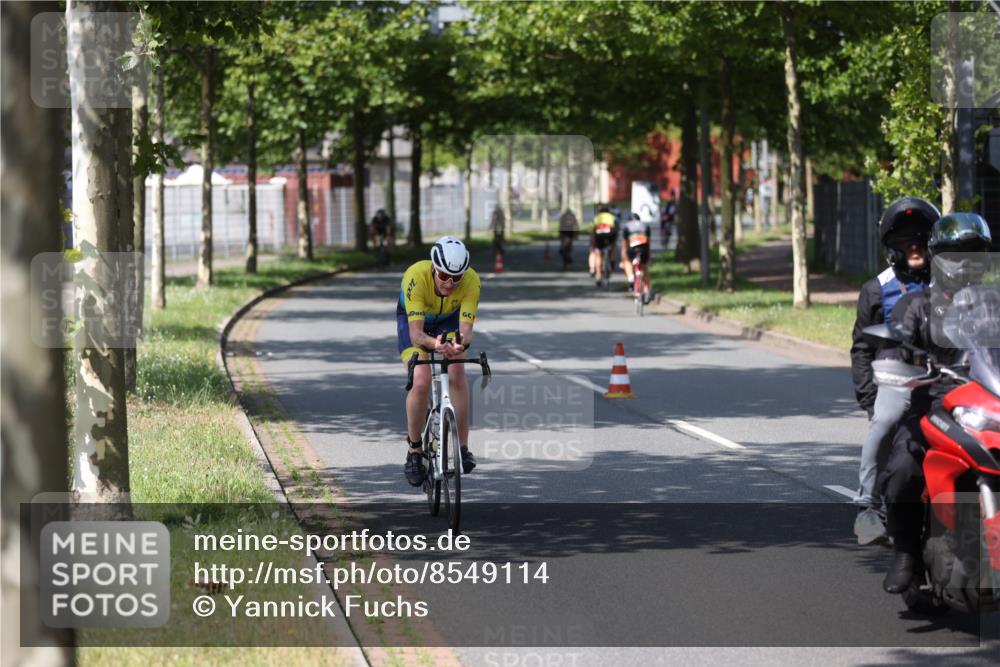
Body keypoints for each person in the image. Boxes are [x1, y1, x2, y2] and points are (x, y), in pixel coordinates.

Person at [878, 212, 993, 593]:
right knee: (902, 468)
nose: (964, 265)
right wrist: (899, 364)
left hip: (984, 404)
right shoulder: (916, 306)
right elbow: (894, 346)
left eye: (973, 255)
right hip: (934, 406)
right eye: (954, 256)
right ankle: (906, 551)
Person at [849, 196, 939, 544]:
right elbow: (861, 349)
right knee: (885, 421)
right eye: (905, 239)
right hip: (898, 376)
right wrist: (869, 400)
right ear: (892, 246)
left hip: (947, 379)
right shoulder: (877, 288)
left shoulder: (947, 284)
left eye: (920, 236)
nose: (914, 244)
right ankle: (867, 507)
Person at [397, 237, 482, 486]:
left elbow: (466, 331)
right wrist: (435, 345)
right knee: (421, 381)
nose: (449, 283)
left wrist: (459, 344)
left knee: (457, 372)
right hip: (416, 322)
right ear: (434, 267)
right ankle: (414, 451)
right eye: (444, 275)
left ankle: (463, 448)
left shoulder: (471, 282)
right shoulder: (416, 276)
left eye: (456, 278)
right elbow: (416, 335)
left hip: (448, 320)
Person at [621, 212, 653, 302]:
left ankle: (631, 277)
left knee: (627, 261)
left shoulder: (627, 226)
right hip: (644, 249)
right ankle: (647, 290)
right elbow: (648, 243)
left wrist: (623, 258)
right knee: (644, 267)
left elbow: (624, 245)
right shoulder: (645, 226)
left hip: (632, 248)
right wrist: (649, 258)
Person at [589, 205, 618, 286]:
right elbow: (616, 229)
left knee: (598, 255)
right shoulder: (612, 217)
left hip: (599, 236)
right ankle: (611, 259)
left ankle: (598, 275)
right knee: (613, 244)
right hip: (609, 235)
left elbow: (593, 231)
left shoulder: (596, 218)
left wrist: (593, 244)